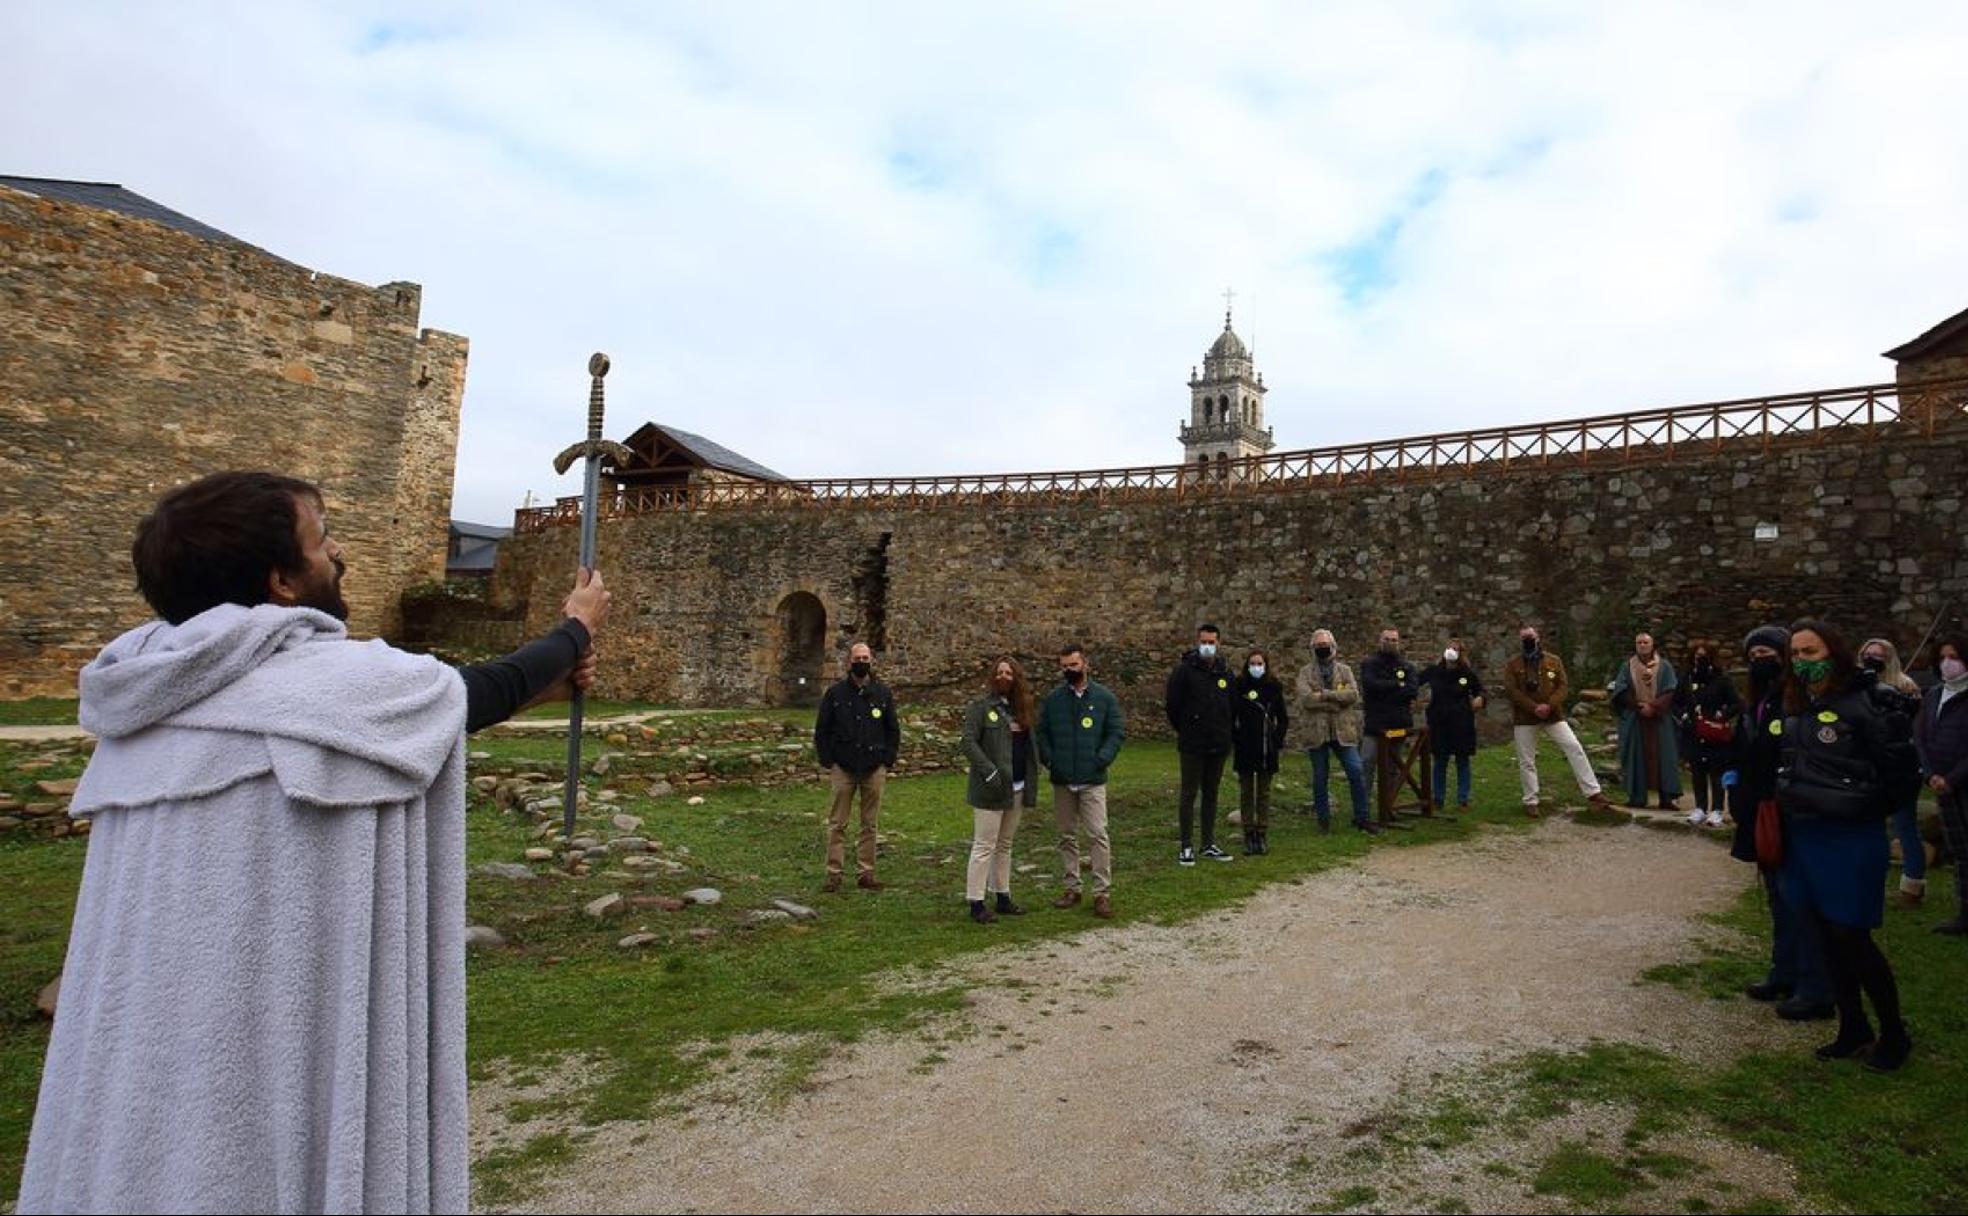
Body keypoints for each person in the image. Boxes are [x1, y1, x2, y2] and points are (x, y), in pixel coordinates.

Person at [21, 470, 608, 1214]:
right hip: (276, 1043)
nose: (340, 556)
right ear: (282, 581)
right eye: (322, 541)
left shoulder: (147, 689)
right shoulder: (337, 681)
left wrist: (546, 683)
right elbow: (470, 692)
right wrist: (576, 628)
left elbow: (446, 703)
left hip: (148, 1050)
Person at [1777, 618, 1918, 1071]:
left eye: (1810, 653)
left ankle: (1894, 1032)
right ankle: (1853, 1025)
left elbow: (1900, 775)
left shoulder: (1870, 704)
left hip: (1849, 835)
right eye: (1795, 654)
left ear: (1834, 654)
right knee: (1821, 932)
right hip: (1805, 832)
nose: (1802, 662)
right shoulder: (1799, 705)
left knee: (1852, 936)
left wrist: (1863, 807)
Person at [1726, 625, 1834, 1022]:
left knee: (1800, 899)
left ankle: (1815, 985)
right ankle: (1784, 971)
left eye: (1767, 654)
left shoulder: (1798, 701)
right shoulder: (1758, 701)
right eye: (1753, 655)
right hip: (1762, 810)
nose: (1760, 661)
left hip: (1792, 810)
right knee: (1777, 896)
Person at [1036, 643, 1125, 917]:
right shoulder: (1053, 700)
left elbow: (1116, 732)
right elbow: (1042, 734)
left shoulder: (1104, 698)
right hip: (1063, 779)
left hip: (1092, 779)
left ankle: (1101, 892)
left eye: (1073, 665)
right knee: (1066, 836)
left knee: (1098, 834)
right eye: (1064, 666)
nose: (1068, 670)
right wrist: (1051, 760)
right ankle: (1072, 887)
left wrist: (1102, 758)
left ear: (1085, 664)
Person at [1502, 624, 1616, 817]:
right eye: (1524, 638)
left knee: (1574, 748)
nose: (1528, 641)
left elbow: (1563, 686)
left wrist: (1549, 705)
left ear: (1538, 638)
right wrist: (1533, 707)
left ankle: (1593, 792)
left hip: (1553, 716)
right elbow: (1512, 691)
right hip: (1525, 719)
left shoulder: (1553, 661)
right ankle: (1531, 800)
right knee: (1526, 760)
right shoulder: (1513, 664)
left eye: (1530, 637)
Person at [959, 657, 1041, 923]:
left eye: (1009, 673)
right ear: (993, 677)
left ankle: (1002, 895)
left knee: (1005, 844)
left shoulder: (1022, 709)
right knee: (984, 845)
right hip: (991, 789)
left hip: (1016, 786)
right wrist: (990, 771)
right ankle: (976, 901)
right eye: (1000, 672)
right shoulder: (980, 708)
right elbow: (968, 742)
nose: (1004, 676)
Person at [815, 640, 900, 892]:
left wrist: (887, 759)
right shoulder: (835, 694)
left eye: (865, 658)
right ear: (849, 661)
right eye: (857, 658)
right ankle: (834, 874)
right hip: (844, 766)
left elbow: (892, 729)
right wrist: (828, 759)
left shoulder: (882, 694)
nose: (861, 662)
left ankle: (866, 874)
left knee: (869, 824)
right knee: (837, 823)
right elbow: (822, 729)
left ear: (871, 661)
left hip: (873, 767)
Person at [1862, 637, 1927, 906]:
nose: (1872, 659)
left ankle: (1912, 886)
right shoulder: (1859, 686)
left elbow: (1916, 728)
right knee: (1872, 827)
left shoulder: (1905, 686)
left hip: (1900, 768)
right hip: (1869, 767)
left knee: (1905, 826)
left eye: (1878, 655)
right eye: (1868, 654)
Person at [1293, 628, 1377, 835]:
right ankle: (1323, 820)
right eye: (1319, 646)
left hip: (1343, 732)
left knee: (1356, 772)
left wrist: (1325, 695)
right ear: (1313, 649)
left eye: (1326, 645)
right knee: (1320, 777)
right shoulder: (1305, 672)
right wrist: (1333, 701)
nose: (1323, 649)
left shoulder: (1345, 671)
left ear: (1334, 647)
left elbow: (1353, 696)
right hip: (1318, 733)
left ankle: (1362, 817)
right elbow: (1305, 699)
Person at [1166, 623, 1236, 864]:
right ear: (1197, 642)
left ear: (1219, 643)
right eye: (1203, 641)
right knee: (1189, 793)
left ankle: (1208, 842)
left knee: (1211, 793)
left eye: (1211, 641)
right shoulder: (1184, 671)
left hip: (1218, 742)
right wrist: (1187, 728)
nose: (1207, 646)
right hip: (1192, 743)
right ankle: (1186, 845)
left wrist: (1226, 732)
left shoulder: (1225, 672)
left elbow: (1232, 705)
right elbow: (1173, 706)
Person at [1914, 636, 1968, 935]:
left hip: (1959, 782)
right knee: (1961, 852)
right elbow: (1920, 736)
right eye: (1944, 656)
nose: (1949, 662)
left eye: (1955, 656)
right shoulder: (1934, 694)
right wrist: (1930, 773)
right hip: (1941, 785)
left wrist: (1953, 777)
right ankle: (1965, 913)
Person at [1609, 632, 1683, 809]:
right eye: (1639, 642)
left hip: (1659, 719)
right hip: (1636, 718)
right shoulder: (1627, 667)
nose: (1642, 645)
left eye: (1645, 642)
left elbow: (1671, 690)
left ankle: (1666, 798)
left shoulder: (1664, 667)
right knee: (1635, 756)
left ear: (1652, 644)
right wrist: (1638, 706)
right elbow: (1620, 689)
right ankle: (1637, 797)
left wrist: (1654, 707)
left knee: (1665, 756)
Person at [1674, 640, 1740, 828]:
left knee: (1716, 772)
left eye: (1703, 656)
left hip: (1714, 731)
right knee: (1697, 771)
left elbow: (1737, 703)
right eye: (1697, 656)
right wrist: (1683, 715)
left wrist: (1723, 714)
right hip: (1693, 731)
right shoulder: (1686, 678)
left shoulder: (1722, 679)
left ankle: (1717, 809)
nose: (1699, 660)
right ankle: (1700, 808)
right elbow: (1675, 702)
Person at [1231, 647, 1289, 855]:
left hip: (1266, 747)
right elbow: (1231, 714)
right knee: (1247, 791)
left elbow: (1282, 718)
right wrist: (1235, 737)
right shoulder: (1239, 686)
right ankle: (1248, 832)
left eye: (1260, 664)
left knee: (1263, 792)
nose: (1256, 667)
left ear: (1266, 666)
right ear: (1247, 666)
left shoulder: (1273, 687)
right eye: (1253, 663)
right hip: (1245, 745)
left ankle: (1261, 832)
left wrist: (1276, 739)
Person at [1359, 627, 1421, 815]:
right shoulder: (1370, 664)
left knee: (1393, 767)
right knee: (1367, 762)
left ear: (1399, 642)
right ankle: (1363, 808)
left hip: (1398, 724)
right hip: (1375, 725)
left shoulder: (1407, 666)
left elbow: (1412, 691)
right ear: (1380, 641)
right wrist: (1396, 686)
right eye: (1387, 639)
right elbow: (1371, 687)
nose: (1390, 642)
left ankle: (1388, 806)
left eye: (1394, 639)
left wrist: (1387, 691)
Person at [1418, 639, 1485, 812]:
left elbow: (1480, 691)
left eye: (1455, 649)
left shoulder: (1467, 674)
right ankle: (1438, 798)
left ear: (1461, 654)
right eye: (1449, 648)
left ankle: (1463, 798)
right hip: (1439, 722)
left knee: (1462, 760)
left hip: (1461, 722)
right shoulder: (1434, 671)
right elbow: (1415, 681)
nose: (1451, 651)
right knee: (1440, 760)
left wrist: (1480, 699)